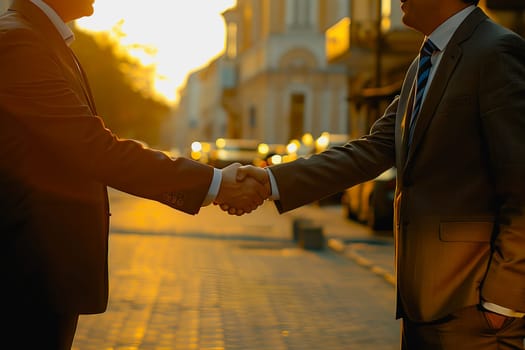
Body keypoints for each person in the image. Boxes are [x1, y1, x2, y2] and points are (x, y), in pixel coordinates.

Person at [229, 0, 525, 348]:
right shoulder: (423, 64)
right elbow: (370, 150)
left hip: (474, 310)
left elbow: (519, 183)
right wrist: (271, 180)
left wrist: (504, 300)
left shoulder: (496, 51)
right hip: (421, 304)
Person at [0, 0, 268, 348]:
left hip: (40, 270)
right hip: (26, 270)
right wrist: (215, 183)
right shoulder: (21, 41)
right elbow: (95, 149)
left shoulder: (37, 37)